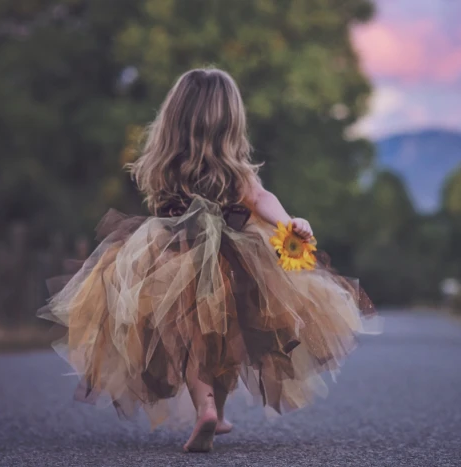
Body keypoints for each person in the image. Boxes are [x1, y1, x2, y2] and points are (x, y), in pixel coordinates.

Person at [39, 68, 378, 452]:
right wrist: (289, 222)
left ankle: (208, 409)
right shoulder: (234, 170)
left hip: (167, 257)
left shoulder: (163, 164)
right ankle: (214, 408)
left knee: (188, 338)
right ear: (231, 122)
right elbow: (262, 199)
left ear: (173, 119)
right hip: (234, 260)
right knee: (226, 337)